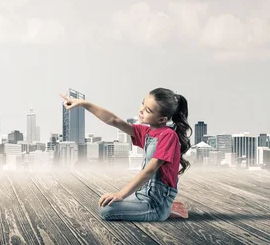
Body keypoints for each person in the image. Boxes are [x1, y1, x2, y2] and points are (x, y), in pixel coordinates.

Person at [59, 88, 192, 222]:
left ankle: (164, 210)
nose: (141, 110)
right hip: (143, 194)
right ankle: (169, 207)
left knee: (107, 211)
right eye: (143, 104)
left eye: (148, 110)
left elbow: (150, 170)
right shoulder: (146, 132)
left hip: (155, 202)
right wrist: (83, 104)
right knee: (106, 202)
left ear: (162, 119)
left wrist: (121, 195)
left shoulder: (169, 136)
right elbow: (114, 120)